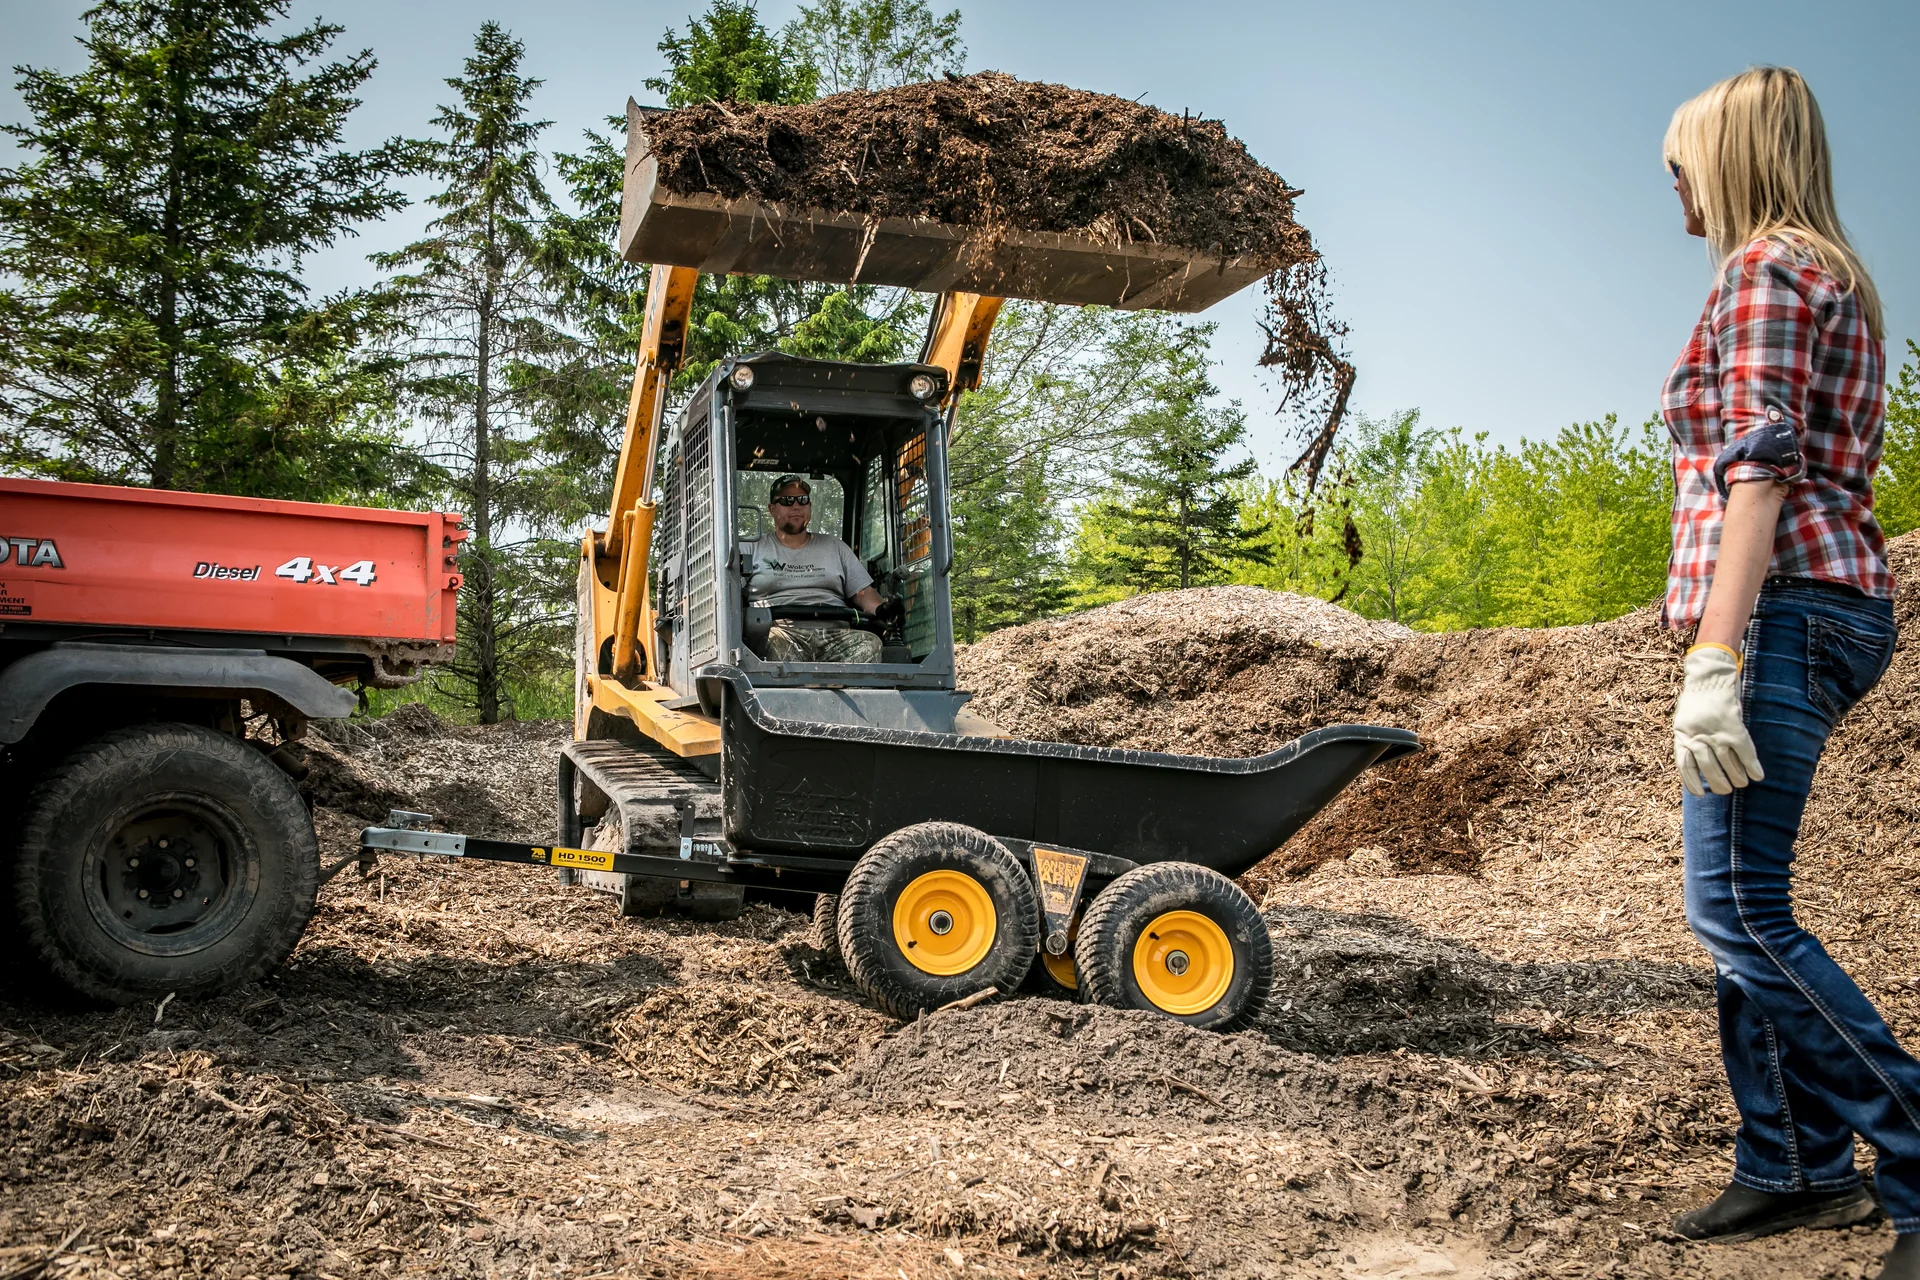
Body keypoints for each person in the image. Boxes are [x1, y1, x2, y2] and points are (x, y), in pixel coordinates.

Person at [1659, 67, 1912, 1275]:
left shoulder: (1765, 270)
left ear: (1731, 153)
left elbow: (1756, 468)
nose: (1671, 187)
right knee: (1738, 907)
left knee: (1741, 908)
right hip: (1827, 606)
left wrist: (1715, 651)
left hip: (1785, 613)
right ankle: (1794, 1163)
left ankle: (1908, 1157)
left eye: (1679, 163)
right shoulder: (1834, 274)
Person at [743, 475, 888, 664]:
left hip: (836, 634)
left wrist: (883, 610)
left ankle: (856, 694)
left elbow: (863, 593)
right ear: (772, 509)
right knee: (779, 645)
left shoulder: (835, 547)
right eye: (787, 501)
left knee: (870, 644)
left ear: (809, 506)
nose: (796, 506)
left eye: (802, 500)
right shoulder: (751, 547)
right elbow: (729, 594)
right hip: (781, 631)